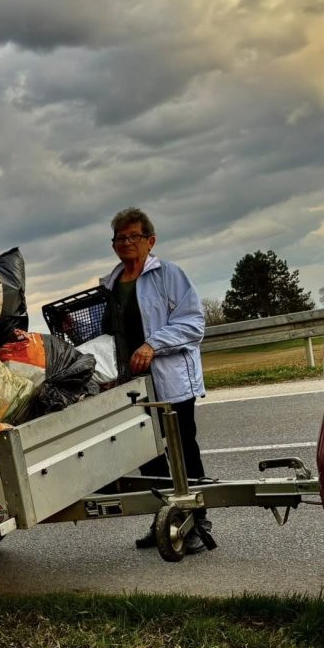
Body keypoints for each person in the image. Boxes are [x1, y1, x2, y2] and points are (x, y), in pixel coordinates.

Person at [101, 207, 213, 555]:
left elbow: (193, 323)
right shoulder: (110, 284)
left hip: (169, 380)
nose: (126, 242)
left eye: (134, 236)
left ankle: (196, 522)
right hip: (131, 385)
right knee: (147, 454)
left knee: (183, 451)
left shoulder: (169, 275)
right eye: (120, 237)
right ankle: (163, 517)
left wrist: (153, 345)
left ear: (151, 240)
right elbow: (108, 332)